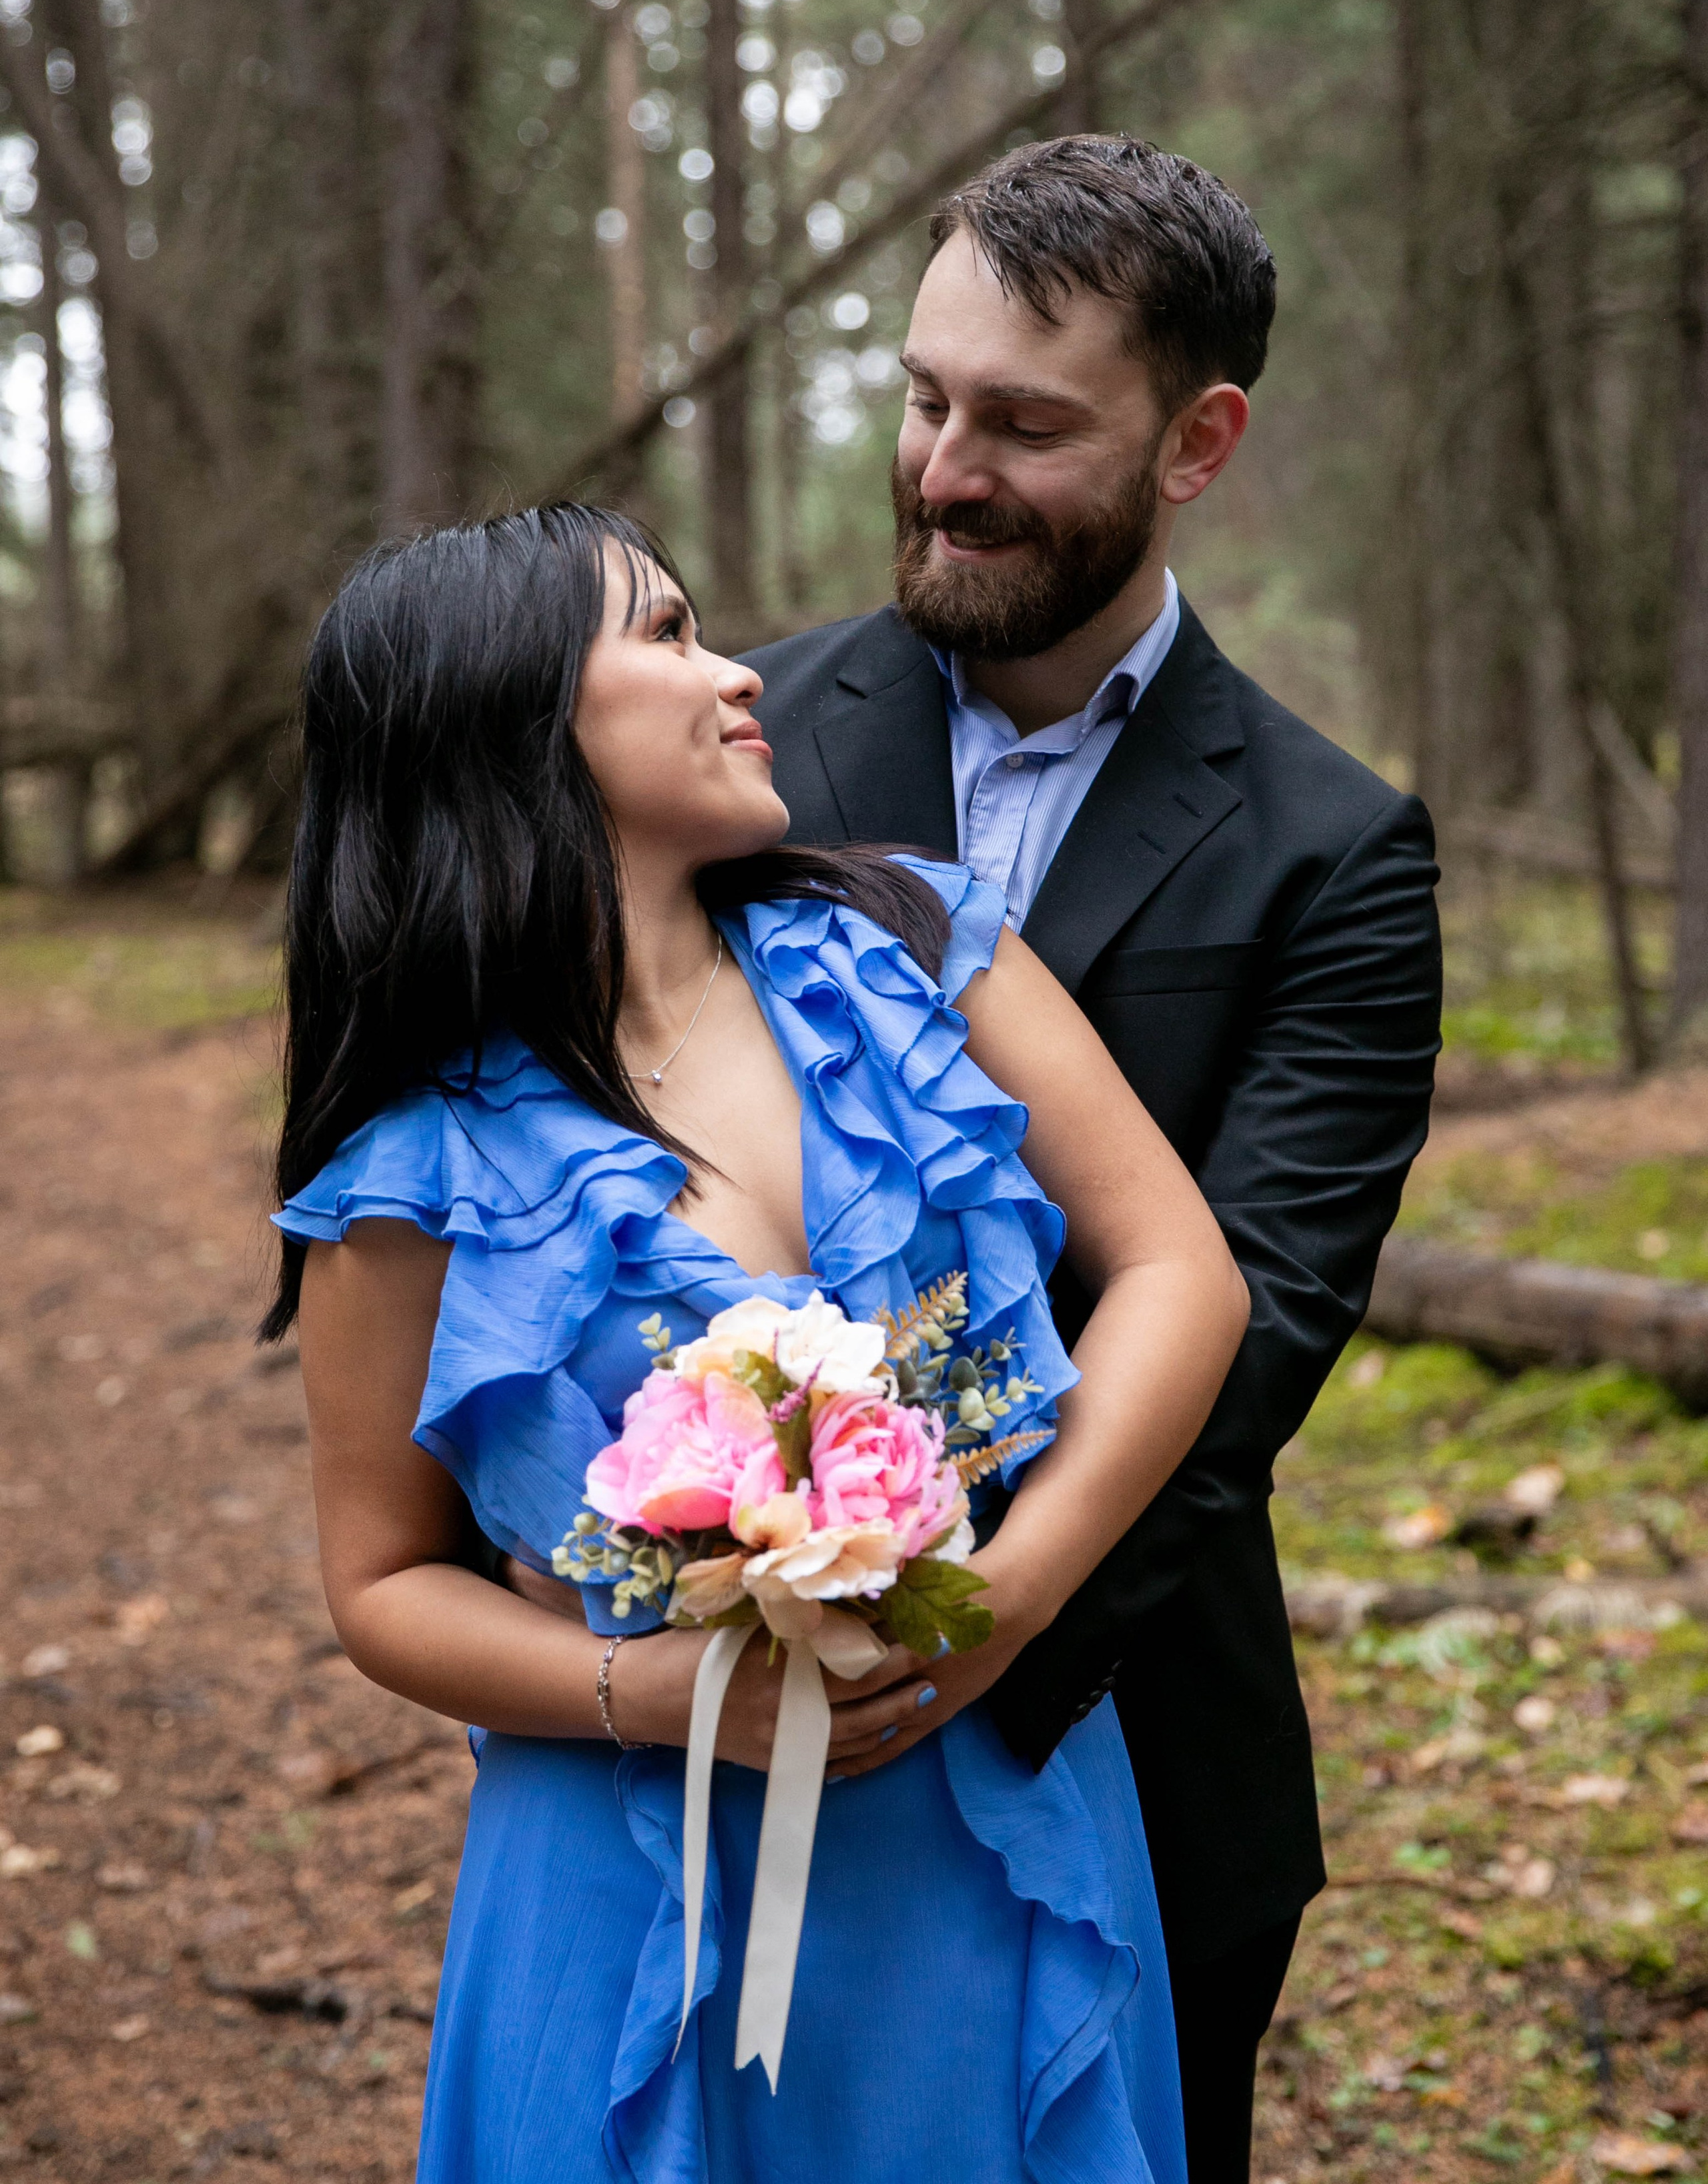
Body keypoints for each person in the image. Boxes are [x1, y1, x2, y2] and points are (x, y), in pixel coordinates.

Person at [267, 502, 1252, 2184]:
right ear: (507, 719)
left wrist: (1005, 1607)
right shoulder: (408, 1179)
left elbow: (1181, 1271)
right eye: (658, 634)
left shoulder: (917, 944)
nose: (735, 672)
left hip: (986, 1805)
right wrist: (644, 1692)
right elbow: (381, 1585)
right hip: (630, 1851)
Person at [743, 134, 1443, 2182]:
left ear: (1197, 441)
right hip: (728, 1690)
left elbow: (1261, 1325)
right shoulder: (736, 744)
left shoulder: (1332, 849)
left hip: (1133, 1728)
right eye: (926, 396)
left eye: (1027, 426)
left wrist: (959, 1628)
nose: (944, 468)